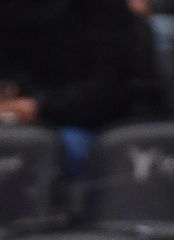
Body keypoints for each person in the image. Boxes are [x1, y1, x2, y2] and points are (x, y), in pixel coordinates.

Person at [0, 0, 154, 177]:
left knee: (60, 148)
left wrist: (38, 106)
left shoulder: (102, 10)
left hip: (96, 123)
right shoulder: (12, 11)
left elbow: (110, 92)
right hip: (27, 118)